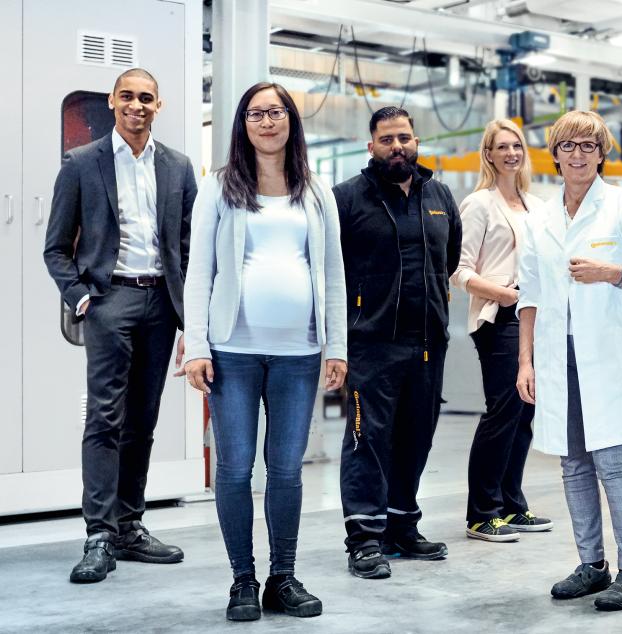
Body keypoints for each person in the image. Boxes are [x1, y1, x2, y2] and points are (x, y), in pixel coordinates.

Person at [183, 82, 347, 621]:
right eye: (256, 114)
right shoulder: (220, 186)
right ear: (242, 124)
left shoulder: (316, 190)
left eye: (276, 112)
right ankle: (241, 581)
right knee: (233, 470)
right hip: (232, 350)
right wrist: (198, 345)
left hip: (299, 354)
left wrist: (336, 346)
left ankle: (283, 576)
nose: (267, 122)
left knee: (286, 472)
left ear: (291, 120)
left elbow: (333, 275)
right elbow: (198, 271)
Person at [516, 110, 622, 611]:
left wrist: (613, 272)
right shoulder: (539, 217)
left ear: (602, 152)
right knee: (572, 464)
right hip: (557, 354)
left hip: (610, 355)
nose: (579, 155)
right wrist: (526, 362)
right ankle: (592, 564)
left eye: (589, 145)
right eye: (569, 146)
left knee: (612, 462)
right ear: (556, 155)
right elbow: (530, 295)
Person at [45, 68, 198, 584]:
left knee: (143, 420)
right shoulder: (82, 164)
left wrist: (189, 317)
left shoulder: (178, 166)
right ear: (112, 101)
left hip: (161, 305)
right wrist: (85, 300)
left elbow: (188, 244)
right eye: (128, 96)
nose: (137, 105)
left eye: (147, 98)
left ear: (160, 105)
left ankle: (130, 526)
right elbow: (56, 248)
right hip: (111, 303)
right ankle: (99, 534)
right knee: (105, 419)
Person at [332, 107, 462, 579]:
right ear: (371, 147)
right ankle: (365, 538)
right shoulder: (347, 198)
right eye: (386, 139)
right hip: (371, 344)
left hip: (428, 341)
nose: (397, 146)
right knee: (368, 440)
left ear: (417, 141)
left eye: (404, 137)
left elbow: (448, 261)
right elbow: (332, 271)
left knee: (415, 440)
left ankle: (402, 526)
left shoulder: (439, 195)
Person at [451, 120, 552, 543]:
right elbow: (458, 270)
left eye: (517, 145)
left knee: (525, 413)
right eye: (502, 146)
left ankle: (511, 506)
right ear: (488, 154)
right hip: (499, 316)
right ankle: (481, 514)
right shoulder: (479, 204)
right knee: (504, 409)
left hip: (536, 316)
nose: (512, 152)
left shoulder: (538, 205)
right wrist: (503, 294)